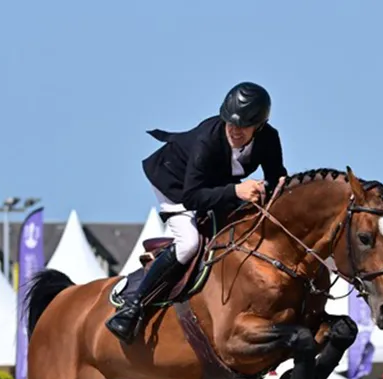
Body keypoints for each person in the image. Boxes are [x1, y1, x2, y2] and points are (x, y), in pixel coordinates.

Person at [106, 81, 290, 344]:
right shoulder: (208, 140)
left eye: (244, 126)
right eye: (230, 122)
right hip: (176, 185)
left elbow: (277, 177)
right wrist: (236, 192)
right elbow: (193, 197)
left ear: (259, 126)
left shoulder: (269, 138)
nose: (235, 130)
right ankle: (133, 306)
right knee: (190, 243)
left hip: (214, 186)